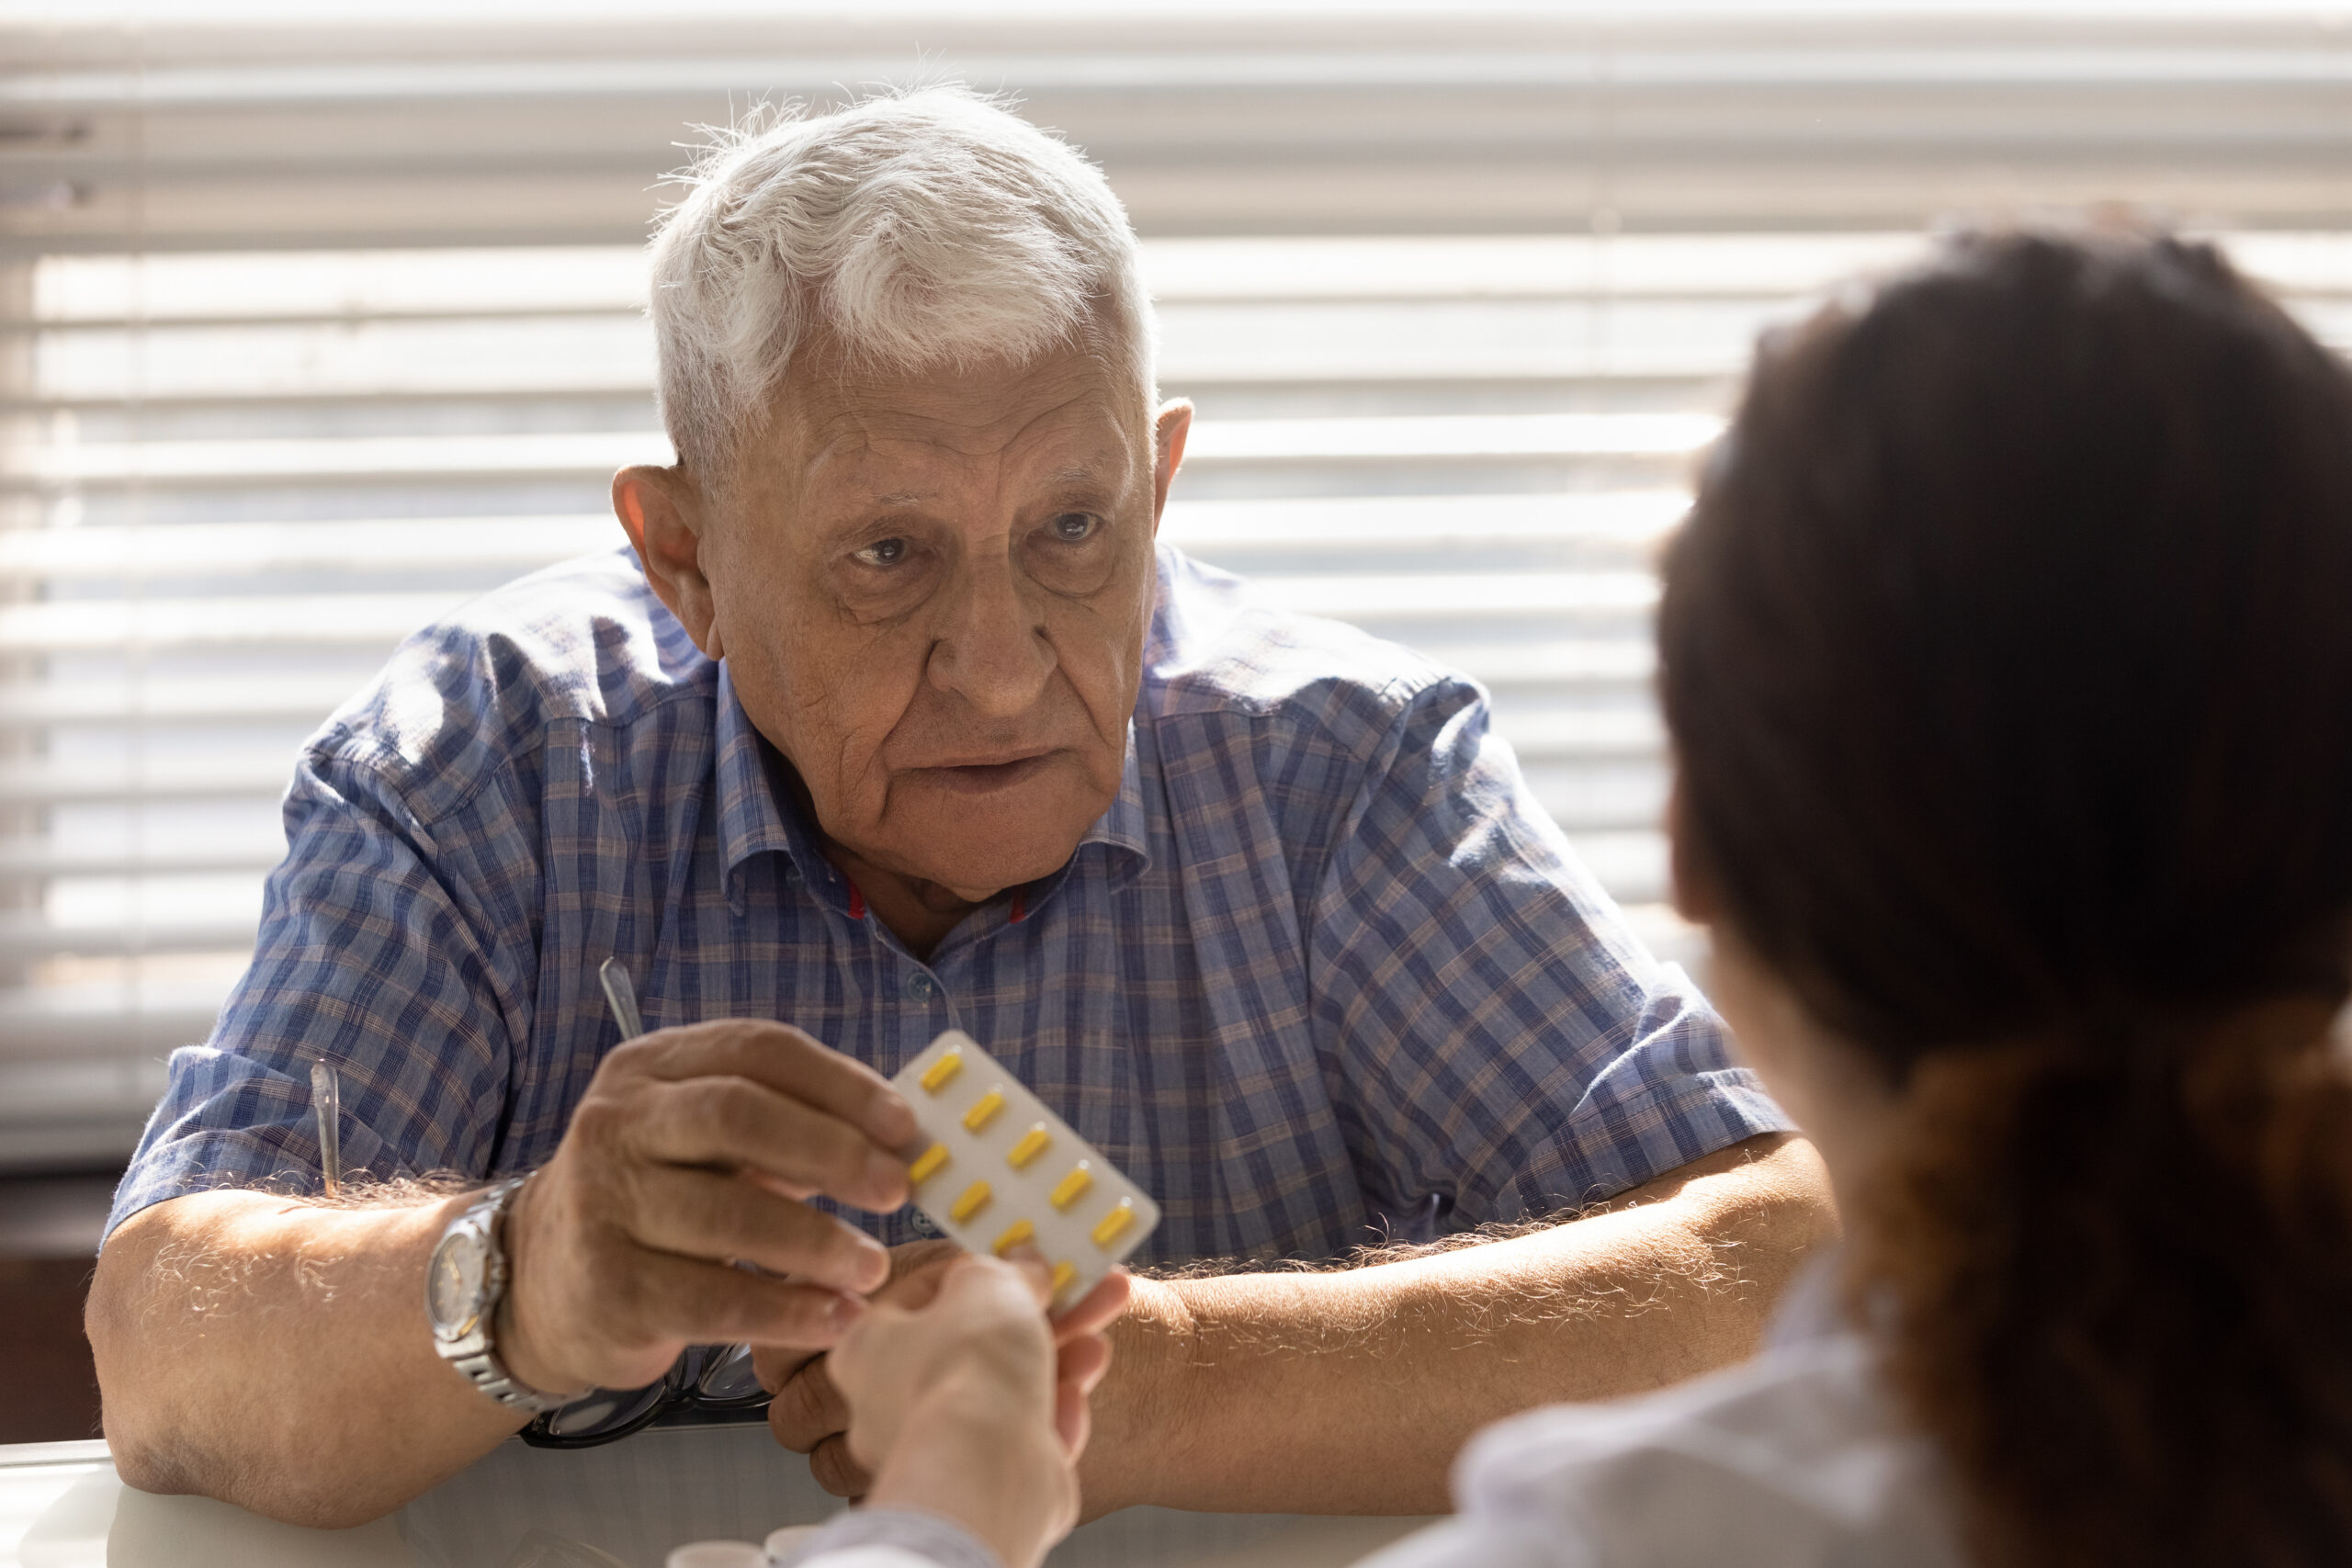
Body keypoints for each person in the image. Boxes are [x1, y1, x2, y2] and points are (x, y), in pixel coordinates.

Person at [83, 86, 1832, 1529]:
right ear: (681, 558)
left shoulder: (1343, 775)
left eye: (1074, 530)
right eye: (887, 554)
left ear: (1157, 483)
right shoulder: (487, 772)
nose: (1003, 671)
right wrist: (523, 1274)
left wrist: (1147, 1385)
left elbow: (1792, 1273)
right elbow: (165, 1355)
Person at [777, 226, 2352, 1568]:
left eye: (1070, 525)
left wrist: (959, 1490)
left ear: (1699, 856)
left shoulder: (1632, 1541)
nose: (994, 665)